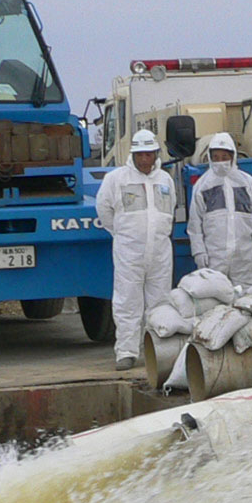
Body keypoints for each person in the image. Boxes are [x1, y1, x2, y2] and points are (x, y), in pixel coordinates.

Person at [94, 128, 176, 369]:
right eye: (140, 154)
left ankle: (158, 352)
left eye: (148, 154)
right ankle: (127, 352)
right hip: (129, 252)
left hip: (160, 252)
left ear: (156, 154)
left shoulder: (165, 180)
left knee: (160, 303)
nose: (144, 159)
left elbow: (170, 209)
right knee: (127, 302)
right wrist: (122, 234)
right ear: (133, 155)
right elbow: (104, 209)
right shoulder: (116, 179)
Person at [187, 132, 252, 290]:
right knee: (215, 297)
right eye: (216, 157)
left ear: (233, 156)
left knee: (245, 298)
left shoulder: (248, 183)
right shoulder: (203, 185)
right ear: (210, 157)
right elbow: (195, 224)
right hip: (214, 258)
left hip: (244, 257)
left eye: (224, 157)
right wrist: (199, 252)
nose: (220, 161)